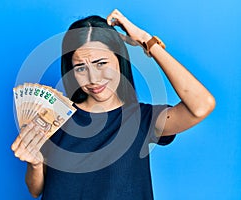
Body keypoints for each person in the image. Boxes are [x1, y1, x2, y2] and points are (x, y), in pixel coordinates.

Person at [11, 9, 215, 200]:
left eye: (101, 64)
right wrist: (35, 164)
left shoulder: (142, 119)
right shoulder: (54, 115)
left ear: (119, 59)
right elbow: (35, 189)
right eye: (81, 68)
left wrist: (146, 40)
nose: (93, 78)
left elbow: (201, 104)